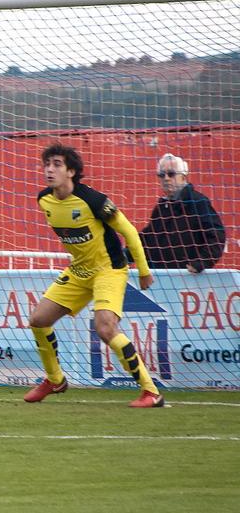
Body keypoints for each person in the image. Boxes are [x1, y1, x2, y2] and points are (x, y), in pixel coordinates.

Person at [26, 143, 164, 408]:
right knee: (39, 319)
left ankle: (151, 391)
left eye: (56, 164)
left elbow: (130, 232)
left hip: (108, 269)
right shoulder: (44, 199)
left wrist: (144, 271)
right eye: (47, 164)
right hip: (79, 270)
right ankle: (55, 380)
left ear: (71, 171)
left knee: (105, 328)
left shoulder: (95, 200)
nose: (49, 169)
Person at [139, 153, 226, 273]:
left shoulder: (197, 202)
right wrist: (126, 255)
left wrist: (201, 263)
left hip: (186, 278)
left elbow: (217, 236)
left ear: (183, 177)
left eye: (171, 174)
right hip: (158, 277)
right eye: (161, 175)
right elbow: (148, 239)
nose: (166, 178)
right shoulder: (161, 208)